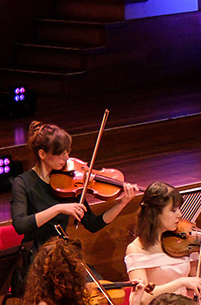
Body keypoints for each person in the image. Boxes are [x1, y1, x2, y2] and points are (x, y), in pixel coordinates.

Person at [10, 120, 141, 292]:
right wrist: (58, 208)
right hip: (35, 259)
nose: (66, 158)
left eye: (67, 152)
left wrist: (122, 203)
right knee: (73, 290)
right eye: (59, 154)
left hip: (62, 255)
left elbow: (92, 224)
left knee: (95, 288)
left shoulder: (69, 182)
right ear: (42, 154)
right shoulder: (23, 183)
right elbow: (20, 225)